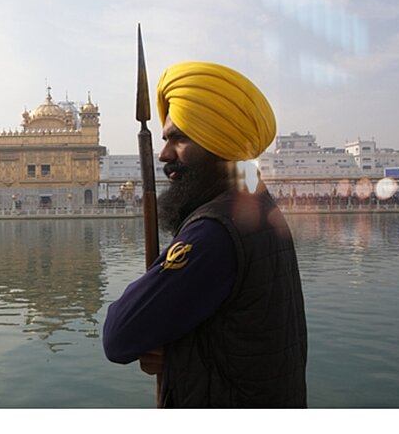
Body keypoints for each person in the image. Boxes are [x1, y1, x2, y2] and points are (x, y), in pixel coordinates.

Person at [102, 61, 308, 408]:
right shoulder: (256, 203)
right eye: (166, 139)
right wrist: (178, 346)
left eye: (179, 139)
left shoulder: (216, 231)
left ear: (219, 144)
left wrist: (161, 340)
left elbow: (119, 335)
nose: (164, 154)